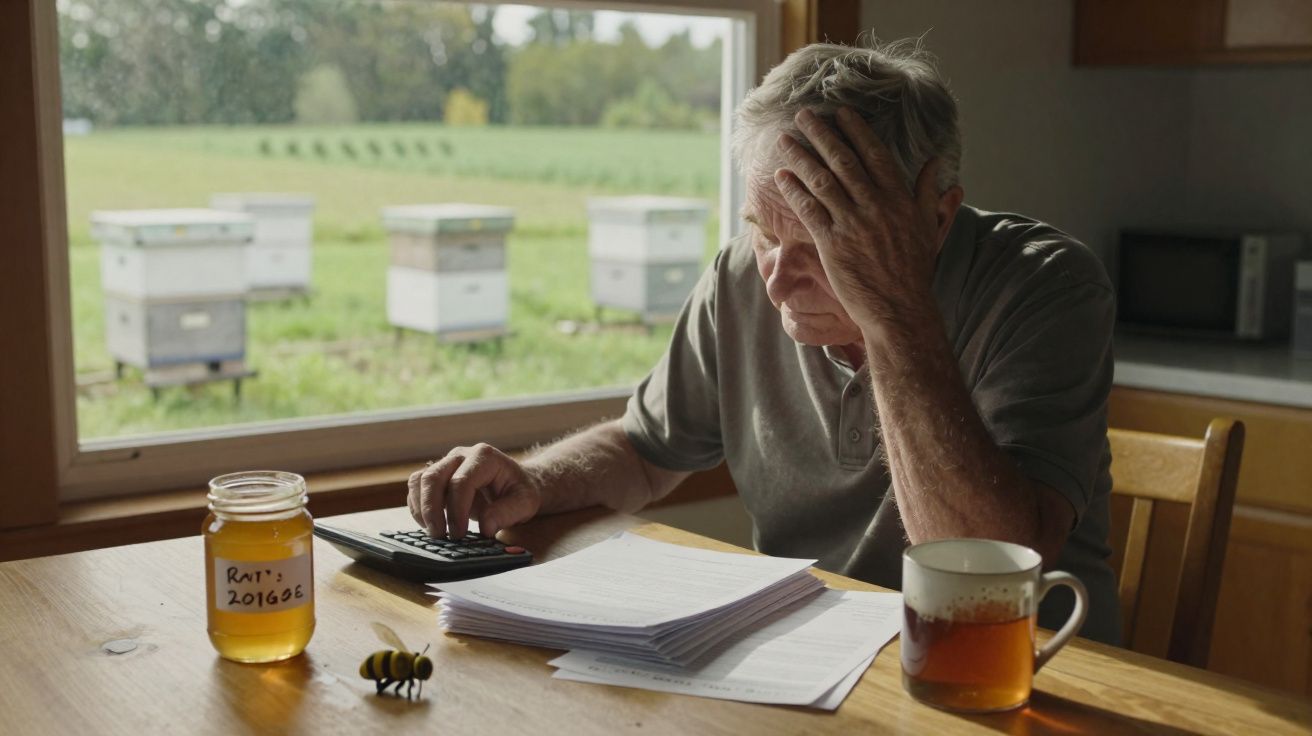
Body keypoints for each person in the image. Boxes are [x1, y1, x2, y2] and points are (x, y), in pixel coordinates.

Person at [407, 40, 1120, 644]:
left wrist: (892, 311)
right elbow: (643, 451)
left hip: (1009, 670)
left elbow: (983, 573)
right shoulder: (744, 274)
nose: (775, 279)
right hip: (812, 656)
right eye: (763, 228)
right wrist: (536, 483)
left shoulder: (1048, 287)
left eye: (821, 238)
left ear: (934, 219)